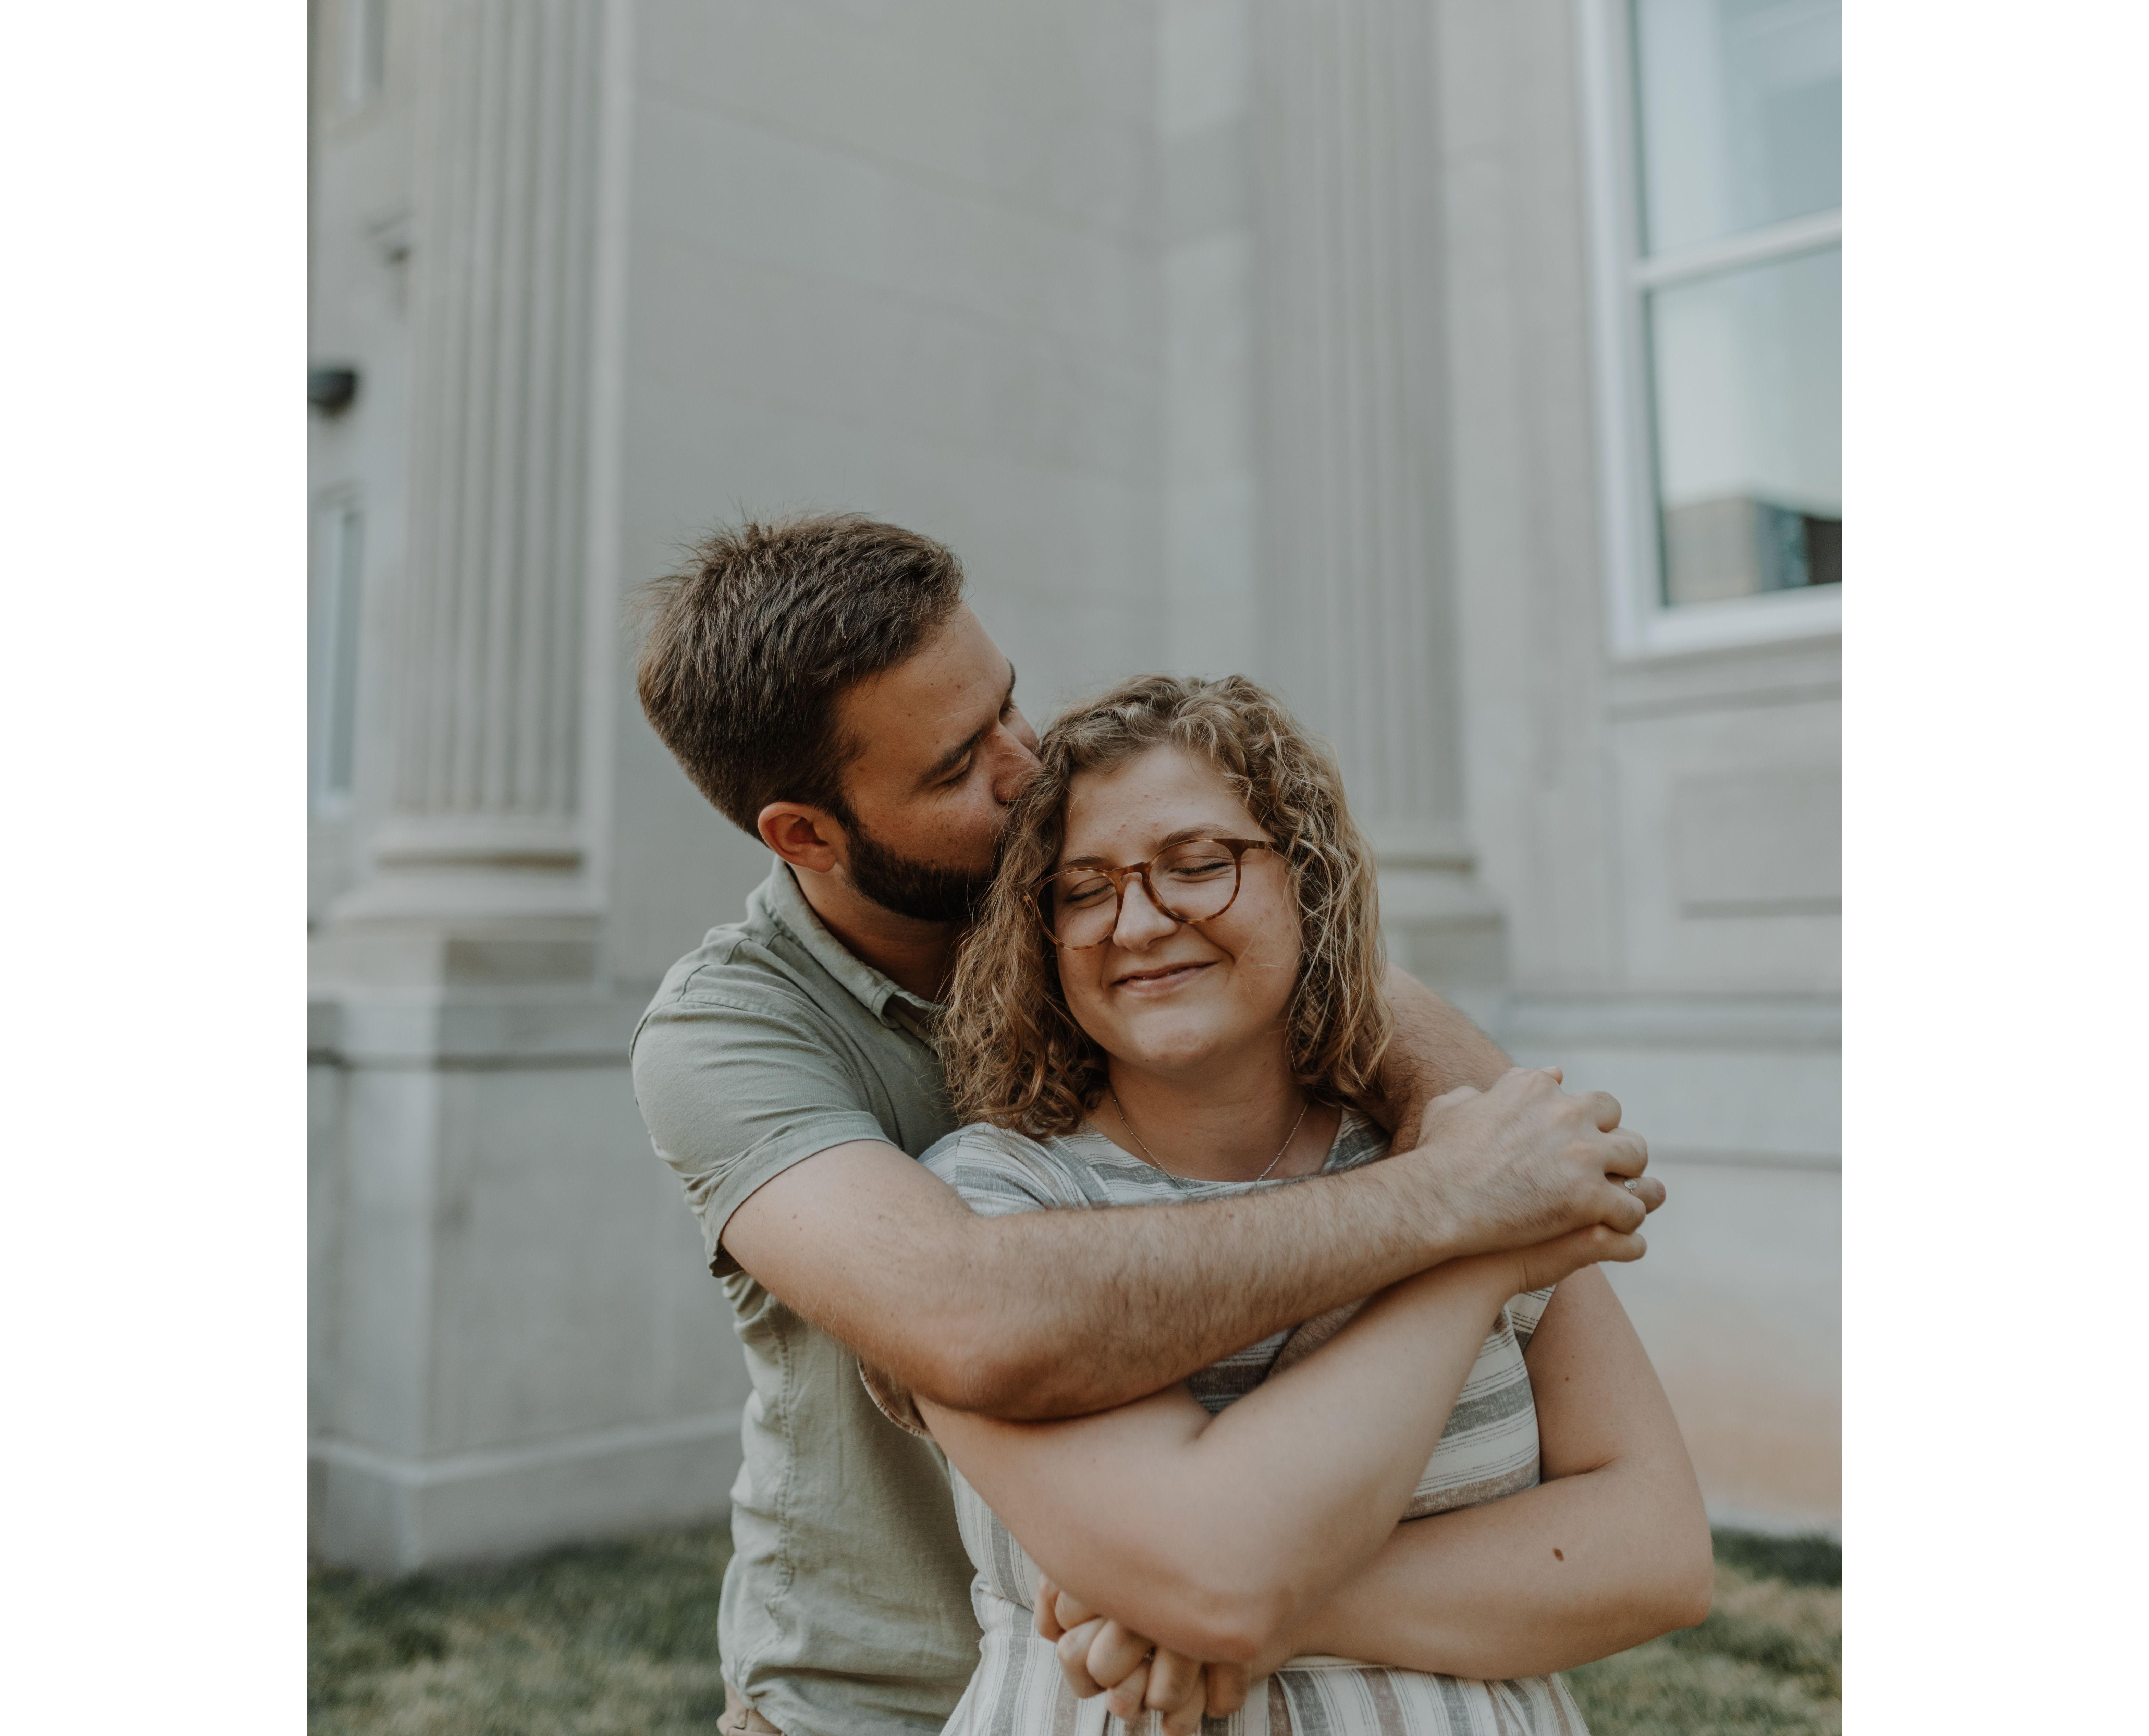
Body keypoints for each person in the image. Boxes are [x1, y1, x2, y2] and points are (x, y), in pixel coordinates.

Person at [629, 514, 1666, 1736]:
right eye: (957, 768)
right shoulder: (726, 1037)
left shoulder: (1119, 899)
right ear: (808, 835)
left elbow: (1508, 1134)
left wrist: (1491, 1159)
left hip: (1218, 1626)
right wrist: (1458, 1207)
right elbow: (979, 1320)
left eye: (1009, 706)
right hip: (884, 1700)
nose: (1025, 774)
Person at [895, 674, 1712, 1736]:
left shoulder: (1470, 1148)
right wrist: (1476, 1257)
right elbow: (1217, 1571)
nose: (1137, 924)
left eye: (1197, 866)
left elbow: (1657, 1554)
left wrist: (1231, 1615)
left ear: (1309, 881)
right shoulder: (992, 1199)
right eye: (1084, 889)